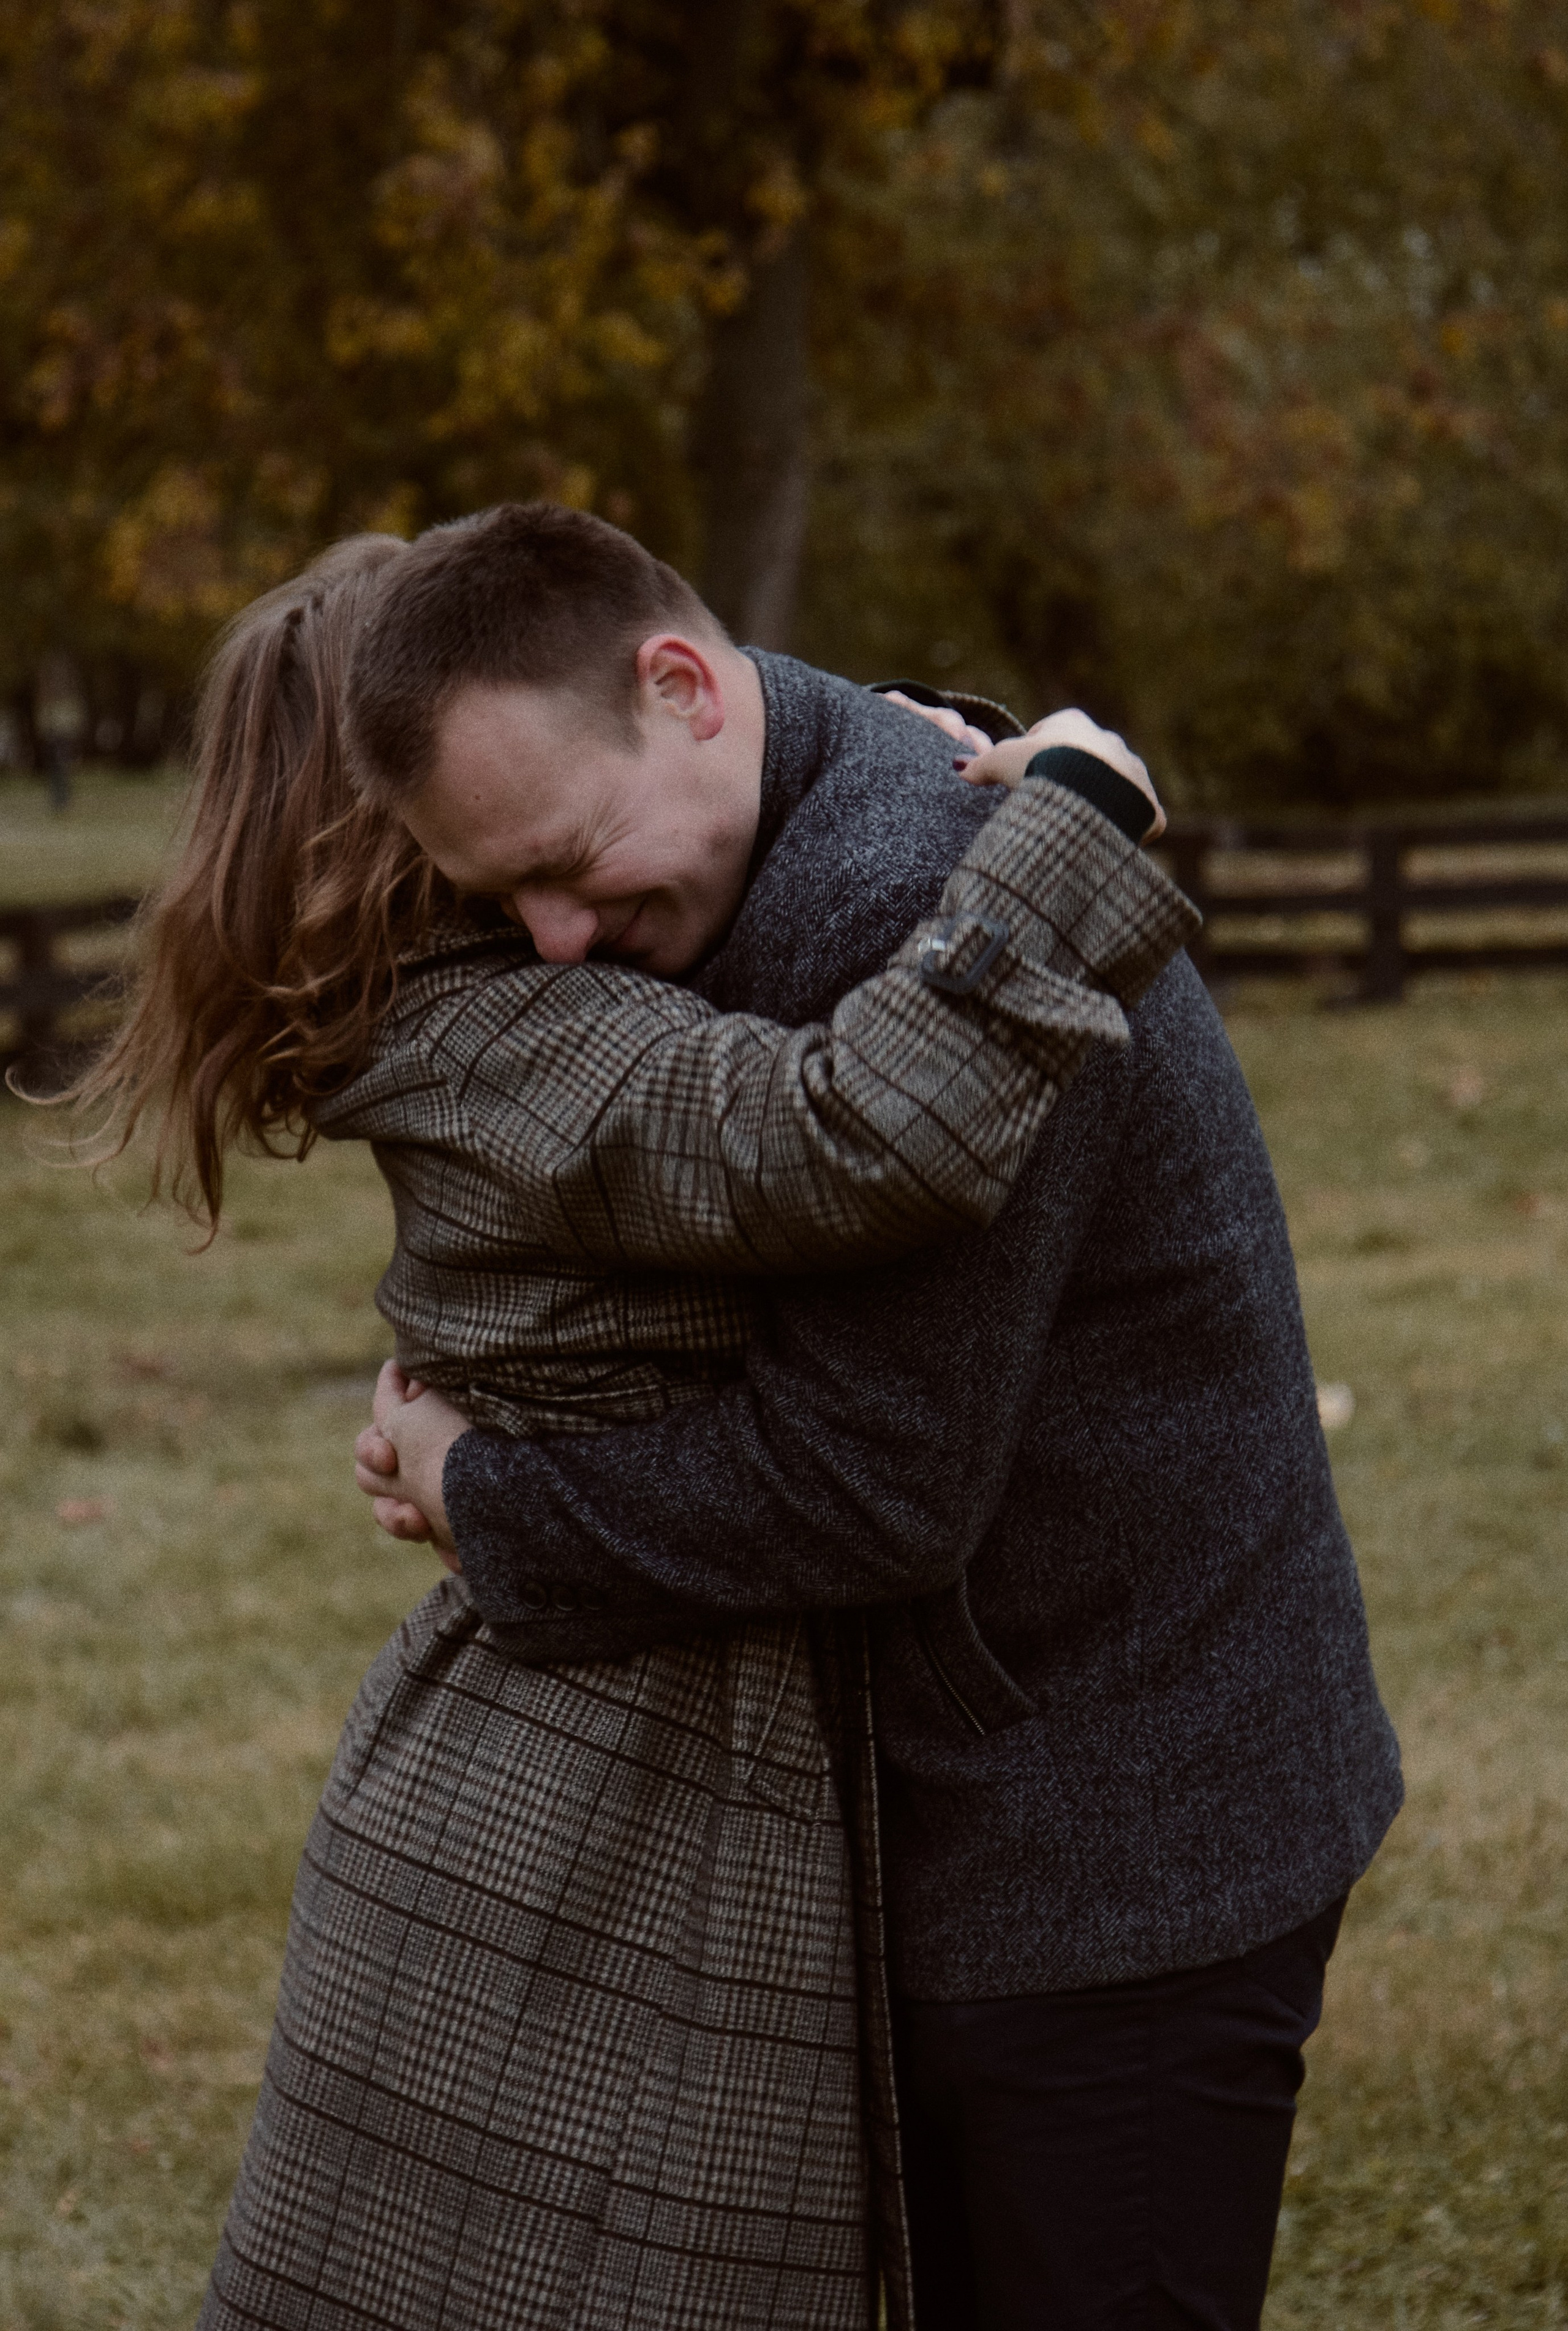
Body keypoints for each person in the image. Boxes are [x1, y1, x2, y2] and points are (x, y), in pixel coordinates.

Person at [61, 519, 1193, 2331]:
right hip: (612, 1788)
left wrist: (867, 757)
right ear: (405, 821)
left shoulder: (490, 1012)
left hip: (556, 1754)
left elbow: (805, 848)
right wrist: (1066, 813)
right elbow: (859, 1131)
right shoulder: (526, 1041)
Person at [355, 505, 1406, 2331]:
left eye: (567, 860)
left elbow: (868, 1488)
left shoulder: (915, 909)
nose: (550, 939)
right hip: (1001, 1802)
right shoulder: (806, 793)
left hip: (1115, 1847)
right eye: (496, 898)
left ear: (685, 689)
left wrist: (486, 1493)